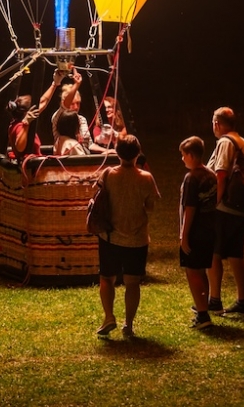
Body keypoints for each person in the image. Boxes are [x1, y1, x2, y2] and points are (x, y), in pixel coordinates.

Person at [94, 135, 161, 337]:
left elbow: (96, 196)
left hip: (110, 237)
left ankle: (109, 317)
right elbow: (151, 206)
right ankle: (129, 325)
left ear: (117, 152)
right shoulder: (146, 178)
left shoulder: (108, 174)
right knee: (132, 283)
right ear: (138, 153)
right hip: (137, 240)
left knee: (107, 278)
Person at [207, 107, 244, 316]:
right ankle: (242, 302)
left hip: (225, 207)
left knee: (214, 253)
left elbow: (221, 175)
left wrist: (214, 203)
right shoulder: (243, 142)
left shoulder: (225, 142)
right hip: (241, 208)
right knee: (236, 255)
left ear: (217, 124)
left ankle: (214, 301)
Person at [178, 136, 218, 329]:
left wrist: (184, 235)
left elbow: (190, 208)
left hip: (196, 232)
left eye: (183, 155)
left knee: (192, 271)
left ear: (191, 155)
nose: (182, 159)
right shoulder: (211, 175)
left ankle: (202, 315)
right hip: (210, 230)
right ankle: (204, 306)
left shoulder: (191, 178)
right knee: (202, 270)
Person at [6, 68, 67, 160]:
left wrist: (55, 83)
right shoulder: (20, 127)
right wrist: (26, 124)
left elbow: (43, 101)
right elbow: (20, 148)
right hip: (31, 166)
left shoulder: (16, 122)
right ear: (27, 112)